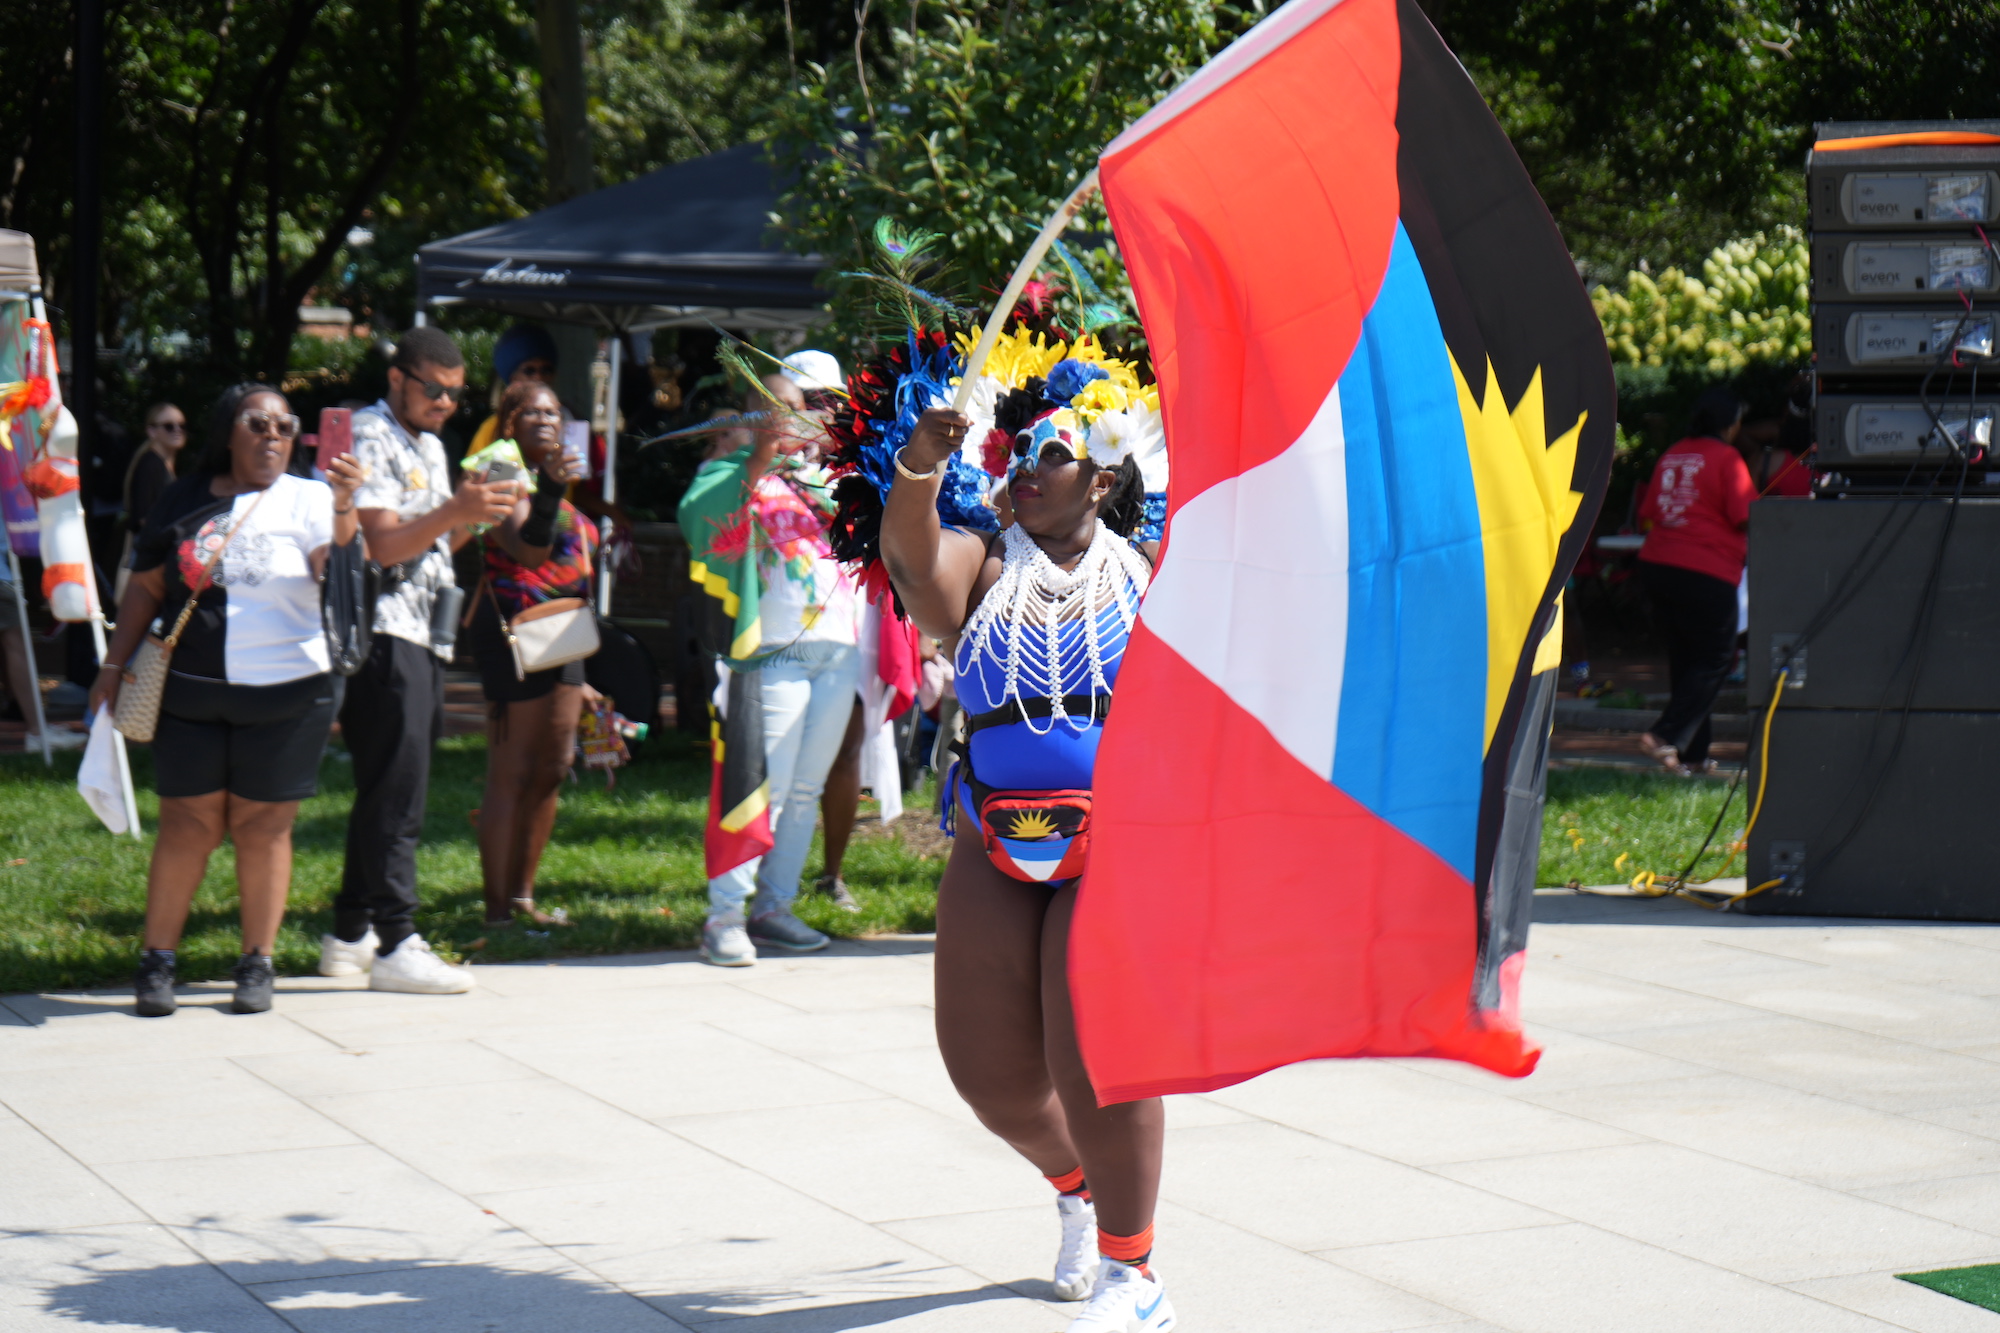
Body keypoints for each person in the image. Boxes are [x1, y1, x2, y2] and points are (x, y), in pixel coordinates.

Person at [832, 328, 1174, 1332]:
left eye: (1052, 453)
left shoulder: (1157, 571)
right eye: (1015, 448)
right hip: (993, 837)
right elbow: (908, 557)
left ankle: (1133, 1272)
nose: (1025, 467)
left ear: (1106, 478)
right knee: (990, 1078)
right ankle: (1074, 1189)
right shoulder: (980, 566)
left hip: (1117, 844)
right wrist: (920, 464)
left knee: (1096, 1054)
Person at [88, 384, 363, 1016]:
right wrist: (111, 664)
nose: (273, 435)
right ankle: (157, 961)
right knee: (188, 824)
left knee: (263, 827)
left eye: (285, 426)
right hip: (191, 695)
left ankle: (255, 963)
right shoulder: (181, 498)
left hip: (290, 696)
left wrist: (346, 507)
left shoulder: (312, 499)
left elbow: (338, 575)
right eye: (257, 422)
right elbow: (146, 587)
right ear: (228, 431)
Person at [322, 325, 515, 992]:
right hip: (381, 631)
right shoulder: (371, 433)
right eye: (433, 389)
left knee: (388, 784)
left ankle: (349, 932)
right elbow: (378, 546)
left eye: (456, 394)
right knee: (399, 791)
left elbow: (432, 542)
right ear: (398, 378)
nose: (444, 403)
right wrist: (452, 510)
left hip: (423, 630)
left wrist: (477, 513)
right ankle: (397, 936)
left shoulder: (429, 445)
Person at [678, 366, 859, 966]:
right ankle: (724, 916)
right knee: (762, 788)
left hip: (838, 651)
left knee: (804, 790)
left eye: (800, 405)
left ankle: (774, 909)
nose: (793, 414)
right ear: (754, 416)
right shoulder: (735, 472)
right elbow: (701, 516)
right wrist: (761, 453)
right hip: (771, 653)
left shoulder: (833, 479)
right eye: (776, 407)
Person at [467, 380, 597, 926]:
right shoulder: (495, 468)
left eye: (553, 411)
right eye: (531, 412)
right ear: (508, 421)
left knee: (553, 765)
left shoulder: (560, 477)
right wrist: (548, 489)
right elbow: (528, 547)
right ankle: (497, 910)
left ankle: (524, 898)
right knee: (512, 771)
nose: (545, 419)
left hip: (564, 631)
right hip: (512, 634)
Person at [1636, 386, 1756, 775]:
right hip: (1705, 568)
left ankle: (1693, 755)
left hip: (1658, 564)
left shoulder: (1672, 454)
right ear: (1730, 424)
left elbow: (1650, 512)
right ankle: (1663, 734)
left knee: (1687, 660)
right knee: (1718, 657)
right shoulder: (1727, 458)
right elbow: (1745, 515)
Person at [115, 402, 186, 600]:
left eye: (181, 425)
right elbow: (144, 517)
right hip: (149, 556)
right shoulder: (150, 464)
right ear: (152, 431)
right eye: (169, 426)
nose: (177, 430)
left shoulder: (163, 464)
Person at [467, 324, 560, 454]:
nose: (538, 377)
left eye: (546, 370)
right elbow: (474, 473)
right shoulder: (493, 427)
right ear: (513, 378)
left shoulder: (567, 419)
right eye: (529, 371)